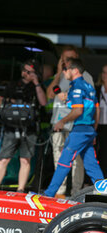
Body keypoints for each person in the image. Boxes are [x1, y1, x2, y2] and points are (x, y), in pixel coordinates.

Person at [44, 58, 104, 197]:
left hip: (80, 130)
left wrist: (62, 122)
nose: (64, 71)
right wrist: (93, 131)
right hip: (88, 130)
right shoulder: (89, 86)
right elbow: (97, 110)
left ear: (75, 70)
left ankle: (49, 194)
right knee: (92, 166)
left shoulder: (76, 87)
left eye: (66, 69)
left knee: (64, 162)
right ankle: (104, 193)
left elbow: (78, 111)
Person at [0, 59, 47, 192]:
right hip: (11, 127)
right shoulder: (12, 85)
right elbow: (0, 103)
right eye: (24, 71)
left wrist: (36, 83)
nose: (26, 74)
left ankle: (21, 190)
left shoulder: (37, 87)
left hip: (29, 129)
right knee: (4, 159)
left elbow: (43, 102)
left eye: (30, 72)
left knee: (25, 160)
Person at [96, 64, 107, 177]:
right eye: (103, 72)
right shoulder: (97, 89)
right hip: (99, 125)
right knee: (99, 153)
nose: (105, 75)